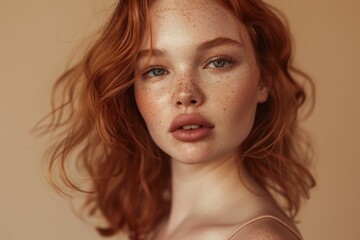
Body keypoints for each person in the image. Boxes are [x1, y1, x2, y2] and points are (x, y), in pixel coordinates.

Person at [41, 0, 316, 239]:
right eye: (156, 70)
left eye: (218, 62)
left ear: (263, 80)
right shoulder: (157, 228)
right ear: (131, 90)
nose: (185, 94)